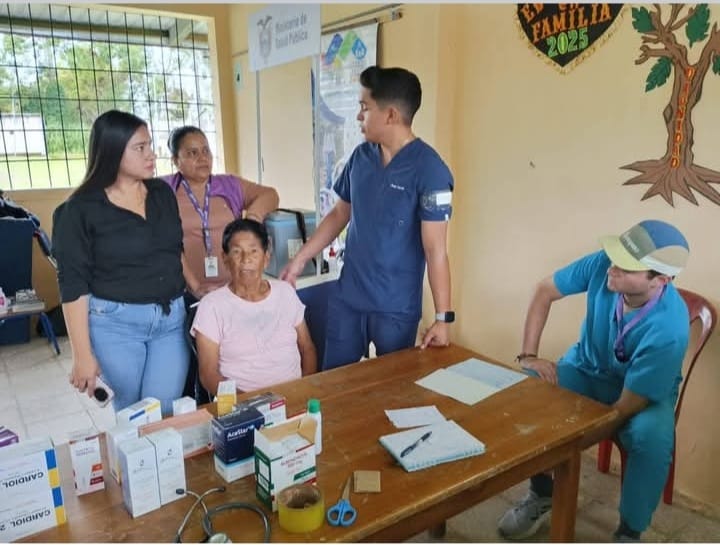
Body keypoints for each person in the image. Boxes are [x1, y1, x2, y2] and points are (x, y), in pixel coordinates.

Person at [497, 219, 690, 542]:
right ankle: (542, 493)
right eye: (616, 257)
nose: (612, 268)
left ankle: (629, 530)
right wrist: (528, 356)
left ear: (661, 280)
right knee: (532, 390)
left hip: (641, 395)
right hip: (586, 370)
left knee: (652, 439)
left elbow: (629, 403)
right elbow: (544, 290)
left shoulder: (671, 327)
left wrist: (588, 428)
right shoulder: (603, 264)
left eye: (626, 267)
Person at [281, 65, 455, 370]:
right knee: (335, 381)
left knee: (392, 384)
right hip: (349, 298)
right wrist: (300, 260)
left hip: (396, 307)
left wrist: (443, 318)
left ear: (390, 115)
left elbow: (435, 249)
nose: (359, 116)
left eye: (365, 107)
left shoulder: (430, 169)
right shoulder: (361, 158)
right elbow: (339, 214)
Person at [52, 110, 189, 415]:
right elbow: (73, 286)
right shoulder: (77, 212)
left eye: (150, 145)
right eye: (140, 148)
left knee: (164, 412)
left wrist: (195, 287)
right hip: (116, 326)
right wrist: (82, 355)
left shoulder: (161, 193)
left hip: (170, 322)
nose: (151, 154)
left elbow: (174, 251)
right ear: (112, 151)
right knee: (131, 414)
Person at [191, 218, 317, 396]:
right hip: (242, 405)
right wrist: (249, 404)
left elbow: (307, 348)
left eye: (253, 251)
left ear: (266, 258)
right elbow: (208, 374)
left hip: (294, 396)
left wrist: (304, 390)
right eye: (237, 252)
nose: (246, 260)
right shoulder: (212, 306)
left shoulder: (285, 293)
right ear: (225, 259)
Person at [161, 126, 279, 300]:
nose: (202, 158)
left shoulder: (229, 185)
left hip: (233, 289)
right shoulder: (164, 190)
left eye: (206, 151)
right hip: (184, 292)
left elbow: (270, 195)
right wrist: (195, 287)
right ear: (176, 160)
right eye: (192, 153)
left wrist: (252, 219)